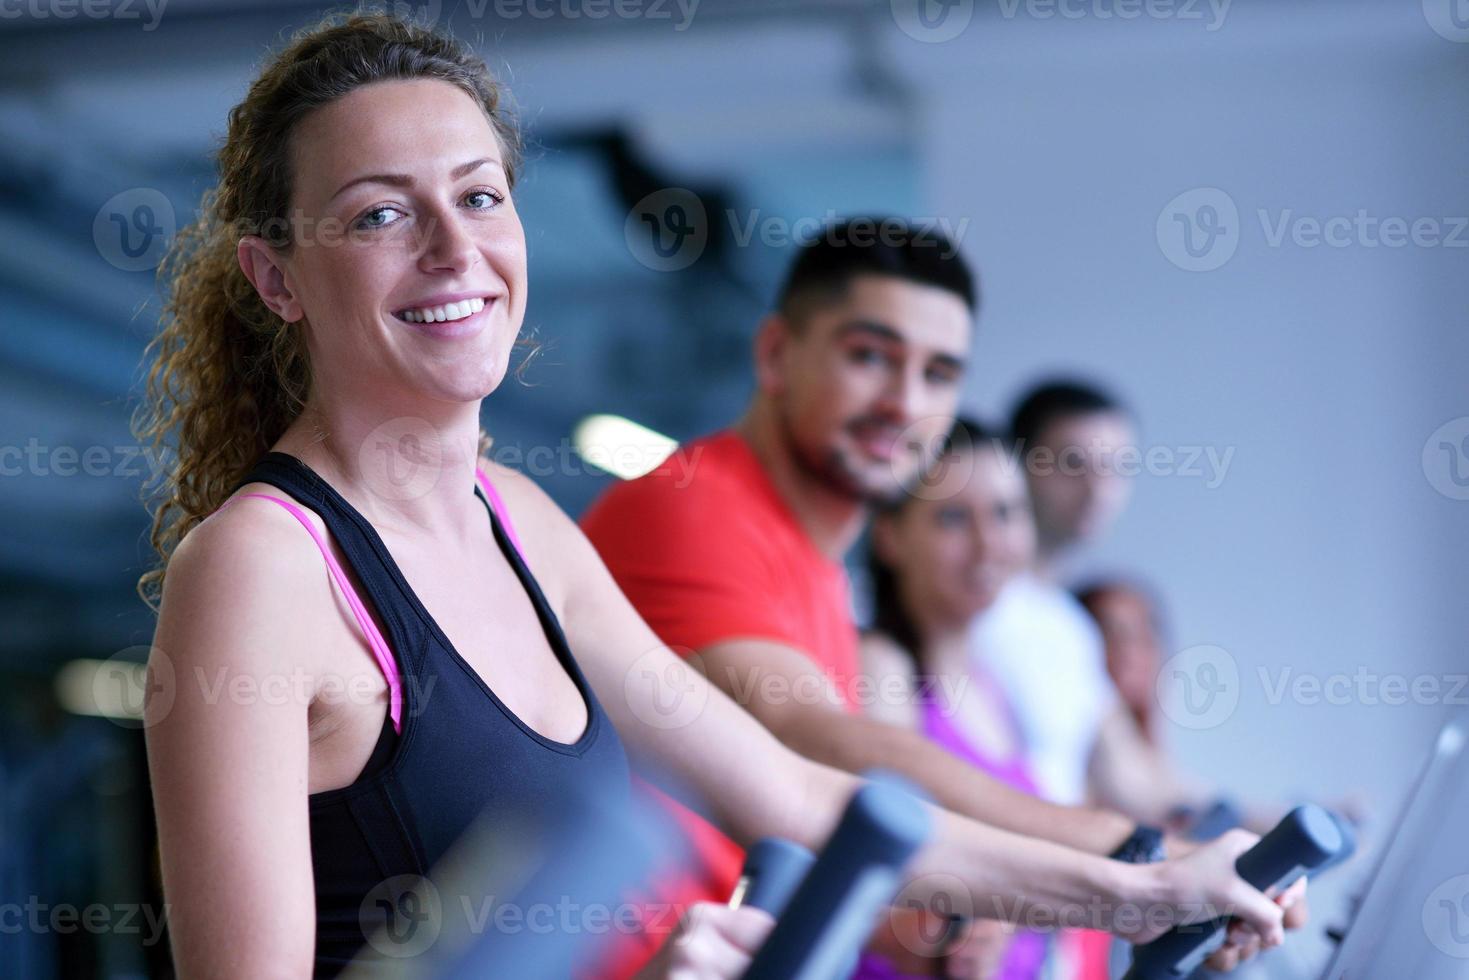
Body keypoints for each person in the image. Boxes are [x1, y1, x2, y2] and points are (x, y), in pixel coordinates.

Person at [131, 14, 1297, 978]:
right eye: (381, 213)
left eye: (480, 196)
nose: (452, 247)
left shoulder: (522, 525)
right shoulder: (261, 570)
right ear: (276, 276)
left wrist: (1138, 887)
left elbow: (788, 790)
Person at [579, 218, 1305, 975]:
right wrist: (1136, 858)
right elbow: (812, 744)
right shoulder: (692, 506)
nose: (904, 403)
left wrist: (908, 931)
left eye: (938, 374)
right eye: (868, 356)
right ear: (774, 354)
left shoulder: (821, 569)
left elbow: (776, 824)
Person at [859, 417, 1047, 979]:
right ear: (890, 535)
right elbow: (875, 867)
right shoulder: (881, 664)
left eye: (1007, 513)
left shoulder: (996, 682)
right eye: (953, 518)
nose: (990, 544)